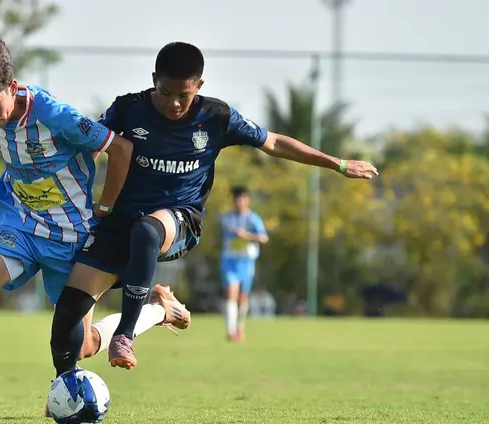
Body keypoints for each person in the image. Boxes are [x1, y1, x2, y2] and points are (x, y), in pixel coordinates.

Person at [0, 37, 179, 424]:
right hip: (22, 225)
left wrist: (107, 205)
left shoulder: (54, 114)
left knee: (84, 346)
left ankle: (159, 311)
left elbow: (120, 149)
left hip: (73, 239)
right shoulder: (0, 113)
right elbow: (5, 132)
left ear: (11, 87)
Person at [48, 41, 379, 371]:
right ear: (153, 80)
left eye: (184, 95)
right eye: (165, 93)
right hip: (119, 221)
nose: (174, 103)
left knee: (147, 231)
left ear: (199, 87)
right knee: (71, 331)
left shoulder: (216, 117)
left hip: (178, 218)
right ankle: (149, 317)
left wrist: (337, 163)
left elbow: (274, 142)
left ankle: (125, 336)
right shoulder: (128, 109)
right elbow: (92, 146)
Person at [220, 186, 268, 341]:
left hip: (246, 261)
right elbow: (221, 236)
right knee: (231, 293)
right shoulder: (226, 218)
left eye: (242, 199)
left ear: (247, 200)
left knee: (243, 296)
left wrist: (246, 236)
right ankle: (230, 331)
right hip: (229, 259)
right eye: (236, 199)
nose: (239, 202)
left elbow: (263, 238)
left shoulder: (253, 218)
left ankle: (240, 328)